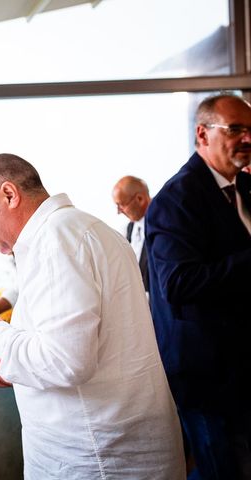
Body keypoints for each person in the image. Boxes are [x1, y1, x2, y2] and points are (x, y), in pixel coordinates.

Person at [0, 153, 184, 479]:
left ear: (9, 194)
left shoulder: (56, 241)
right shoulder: (85, 229)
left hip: (96, 456)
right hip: (112, 443)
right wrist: (16, 368)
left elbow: (67, 361)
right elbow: (86, 343)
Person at [146, 93, 251, 479]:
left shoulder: (243, 187)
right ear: (202, 134)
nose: (247, 138)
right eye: (235, 129)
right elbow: (178, 283)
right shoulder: (177, 199)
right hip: (207, 377)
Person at [112, 175, 151, 292]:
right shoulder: (128, 230)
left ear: (140, 199)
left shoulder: (163, 224)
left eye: (122, 205)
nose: (119, 212)